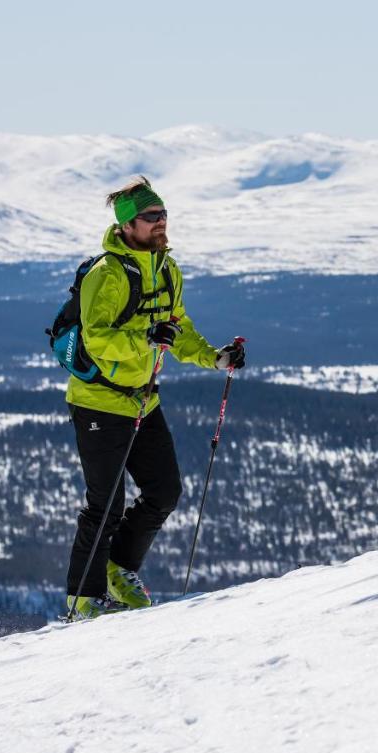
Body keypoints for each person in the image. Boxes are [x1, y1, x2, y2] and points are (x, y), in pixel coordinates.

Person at [65, 176, 245, 620]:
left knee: (164, 492)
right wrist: (145, 338)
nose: (161, 222)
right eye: (151, 216)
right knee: (104, 505)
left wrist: (215, 359)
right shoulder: (106, 274)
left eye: (163, 214)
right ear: (128, 225)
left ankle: (118, 569)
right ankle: (82, 600)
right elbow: (97, 340)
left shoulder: (167, 270)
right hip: (99, 402)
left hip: (144, 400)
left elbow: (177, 329)